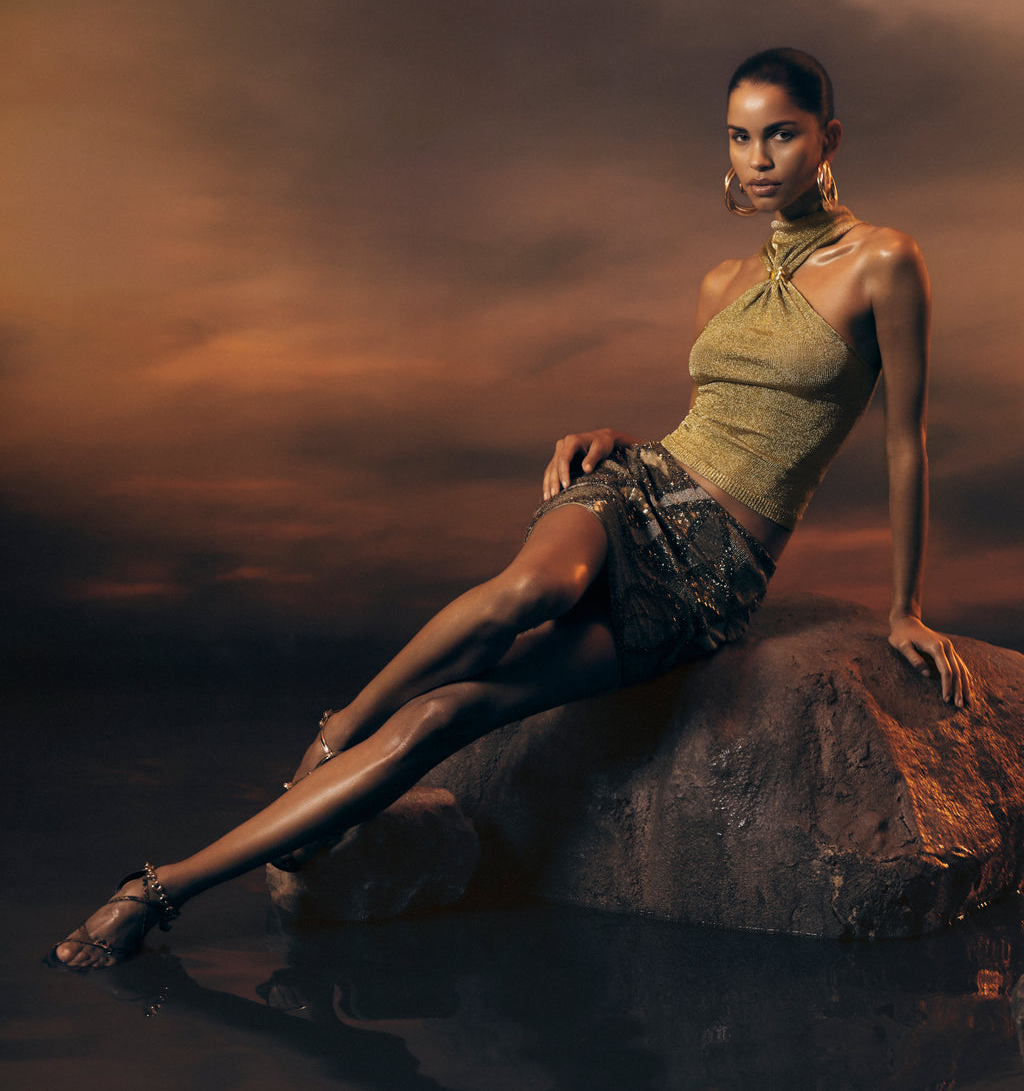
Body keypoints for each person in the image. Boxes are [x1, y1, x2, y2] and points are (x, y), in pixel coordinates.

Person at [49, 47, 972, 971]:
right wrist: (618, 437)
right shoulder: (718, 283)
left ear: (828, 137)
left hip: (710, 575)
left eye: (781, 133)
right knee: (525, 590)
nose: (758, 157)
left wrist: (904, 609)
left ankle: (159, 889)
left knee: (443, 722)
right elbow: (714, 420)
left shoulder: (885, 262)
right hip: (635, 489)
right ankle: (335, 732)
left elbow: (905, 442)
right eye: (740, 137)